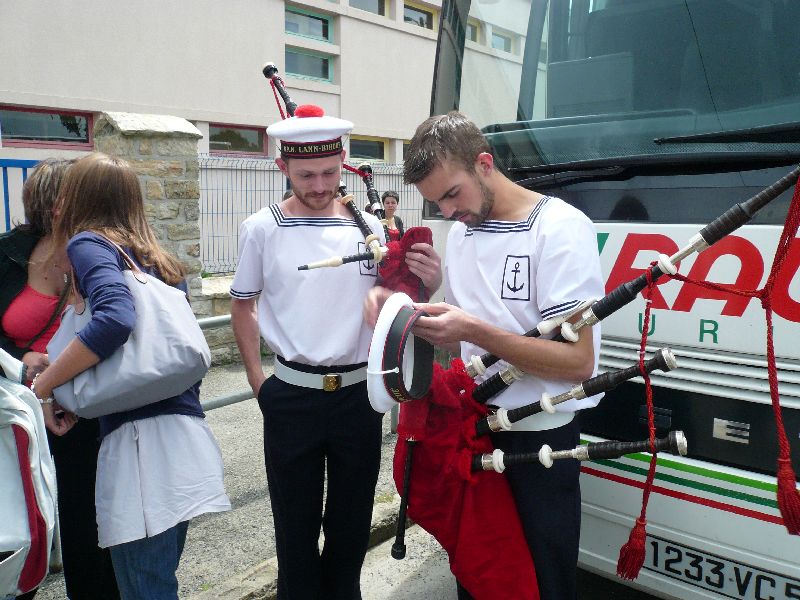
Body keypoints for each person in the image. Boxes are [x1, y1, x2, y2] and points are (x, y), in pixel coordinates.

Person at [366, 111, 604, 600]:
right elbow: (465, 345)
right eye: (436, 203)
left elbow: (579, 363)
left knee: (541, 583)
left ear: (484, 163)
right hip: (473, 435)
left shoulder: (560, 229)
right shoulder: (465, 233)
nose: (450, 211)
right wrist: (404, 316)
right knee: (479, 577)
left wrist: (473, 327)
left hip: (540, 441)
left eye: (452, 194)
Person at [230, 104, 439, 600]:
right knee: (294, 530)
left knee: (350, 528)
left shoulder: (372, 231)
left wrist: (428, 281)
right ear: (283, 168)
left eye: (329, 172)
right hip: (292, 396)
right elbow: (243, 306)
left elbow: (404, 306)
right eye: (306, 175)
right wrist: (259, 382)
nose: (320, 185)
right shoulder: (263, 228)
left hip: (357, 398)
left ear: (343, 161)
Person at [31, 152, 231, 600]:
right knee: (156, 584)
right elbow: (162, 360)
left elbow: (115, 319)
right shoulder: (153, 257)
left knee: (144, 590)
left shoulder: (88, 243)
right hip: (182, 440)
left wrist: (43, 390)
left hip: (140, 454)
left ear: (78, 198)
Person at [0, 158, 120, 600]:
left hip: (85, 407)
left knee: (87, 520)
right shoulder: (8, 253)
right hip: (20, 411)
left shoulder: (104, 251)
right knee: (21, 524)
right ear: (52, 205)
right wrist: (19, 357)